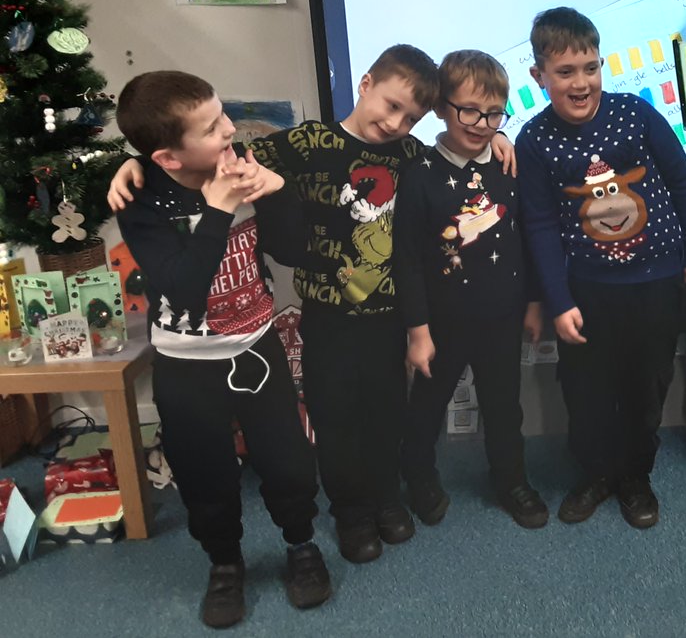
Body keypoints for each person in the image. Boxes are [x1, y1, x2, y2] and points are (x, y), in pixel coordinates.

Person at [109, 46, 515, 564]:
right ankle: (350, 512)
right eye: (390, 105)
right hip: (326, 320)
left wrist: (497, 136)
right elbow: (198, 156)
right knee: (337, 421)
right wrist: (133, 163)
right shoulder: (303, 144)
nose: (395, 123)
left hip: (390, 319)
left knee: (387, 417)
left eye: (409, 117)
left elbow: (457, 158)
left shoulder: (414, 156)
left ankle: (387, 499)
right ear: (365, 83)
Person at [114, 71, 330, 629]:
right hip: (186, 366)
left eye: (223, 114)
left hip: (257, 350)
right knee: (205, 476)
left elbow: (290, 251)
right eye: (212, 127)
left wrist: (277, 194)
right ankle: (225, 564)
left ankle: (302, 544)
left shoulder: (241, 166)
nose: (230, 129)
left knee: (287, 461)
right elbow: (182, 288)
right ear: (167, 157)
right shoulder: (141, 200)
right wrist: (215, 209)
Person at [515, 7, 686, 529]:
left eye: (590, 67)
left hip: (655, 284)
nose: (581, 83)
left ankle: (635, 477)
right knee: (586, 391)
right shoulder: (534, 141)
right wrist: (558, 301)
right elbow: (537, 224)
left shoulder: (636, 114)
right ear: (538, 77)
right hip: (586, 291)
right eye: (565, 72)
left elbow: (682, 182)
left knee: (646, 385)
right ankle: (597, 474)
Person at [396, 50, 548, 529]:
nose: (482, 124)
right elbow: (407, 259)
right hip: (441, 322)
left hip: (502, 318)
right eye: (469, 111)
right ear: (441, 106)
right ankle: (418, 476)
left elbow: (528, 236)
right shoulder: (418, 173)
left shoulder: (509, 166)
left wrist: (534, 302)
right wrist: (417, 330)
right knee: (427, 408)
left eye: (494, 115)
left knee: (505, 408)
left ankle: (512, 480)